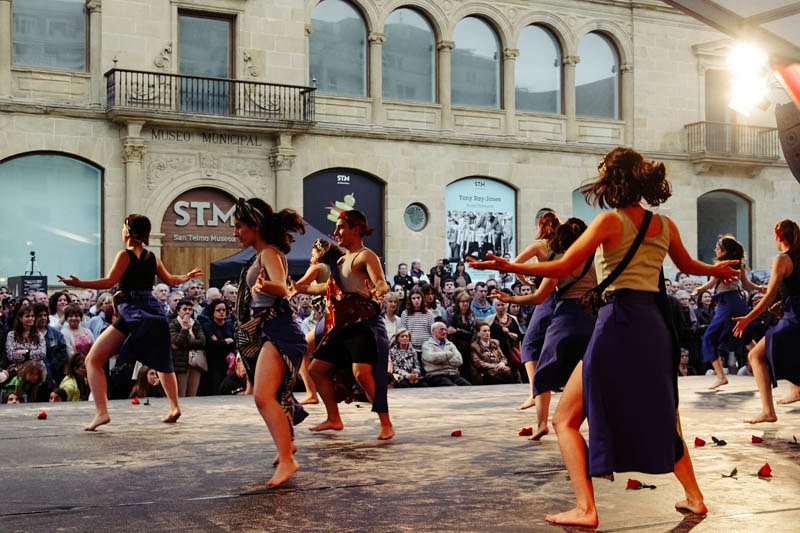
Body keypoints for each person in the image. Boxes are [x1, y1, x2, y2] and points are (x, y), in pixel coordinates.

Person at [469, 147, 738, 527]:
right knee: (662, 414)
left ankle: (586, 508)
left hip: (618, 322)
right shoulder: (664, 224)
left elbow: (564, 264)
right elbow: (688, 266)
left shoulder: (609, 221)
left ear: (612, 182)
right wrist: (717, 269)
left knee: (565, 419)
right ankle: (695, 497)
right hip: (654, 326)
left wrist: (509, 265)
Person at [57, 214, 203, 431]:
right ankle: (174, 407)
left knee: (93, 360)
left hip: (133, 312)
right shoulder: (153, 257)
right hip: (154, 312)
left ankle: (101, 413)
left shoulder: (124, 255)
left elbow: (109, 281)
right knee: (163, 363)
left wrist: (79, 283)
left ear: (128, 231)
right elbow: (171, 280)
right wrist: (187, 276)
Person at [293, 209, 394, 440]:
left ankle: (386, 424)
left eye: (341, 227)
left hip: (361, 325)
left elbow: (380, 281)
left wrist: (381, 289)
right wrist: (301, 288)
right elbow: (327, 288)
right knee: (316, 370)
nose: (336, 232)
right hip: (341, 326)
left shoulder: (366, 256)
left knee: (363, 375)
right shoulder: (340, 260)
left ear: (356, 229)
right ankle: (334, 419)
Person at [497, 218, 598, 440]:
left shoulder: (561, 263)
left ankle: (541, 424)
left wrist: (510, 298)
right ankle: (598, 427)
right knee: (590, 374)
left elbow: (538, 297)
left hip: (566, 320)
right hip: (592, 319)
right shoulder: (596, 261)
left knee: (543, 371)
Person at [233, 197, 308, 486]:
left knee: (263, 396)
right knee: (272, 395)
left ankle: (288, 459)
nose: (236, 233)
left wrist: (266, 285)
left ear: (255, 226)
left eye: (239, 226)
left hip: (280, 330)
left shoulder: (269, 254)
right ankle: (286, 448)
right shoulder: (262, 254)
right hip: (272, 330)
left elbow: (282, 287)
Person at [733, 219, 800, 422]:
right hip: (793, 313)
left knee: (755, 355)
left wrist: (747, 318)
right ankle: (796, 390)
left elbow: (770, 296)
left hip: (795, 315)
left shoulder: (782, 259)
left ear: (779, 237)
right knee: (790, 352)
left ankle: (768, 412)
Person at [692, 235, 764, 389]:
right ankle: (768, 370)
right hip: (738, 303)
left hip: (728, 305)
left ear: (724, 251)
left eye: (718, 248)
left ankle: (721, 376)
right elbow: (746, 284)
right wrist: (759, 288)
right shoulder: (739, 265)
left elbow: (711, 284)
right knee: (747, 339)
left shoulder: (721, 265)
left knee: (709, 338)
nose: (715, 250)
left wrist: (699, 289)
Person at [513, 209, 560, 410]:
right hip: (566, 297)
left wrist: (526, 282)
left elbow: (515, 264)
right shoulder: (565, 246)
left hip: (547, 297)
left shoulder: (540, 247)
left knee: (530, 343)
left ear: (540, 225)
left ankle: (535, 391)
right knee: (554, 341)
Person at [290, 238, 343, 406]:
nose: (310, 258)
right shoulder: (336, 268)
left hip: (331, 318)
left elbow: (296, 287)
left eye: (313, 255)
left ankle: (311, 393)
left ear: (320, 255)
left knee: (301, 350)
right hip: (340, 317)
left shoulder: (317, 267)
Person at [198, 299, 236, 395]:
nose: (221, 312)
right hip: (214, 362)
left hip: (229, 361)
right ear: (212, 312)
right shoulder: (208, 326)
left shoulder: (230, 326)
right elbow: (211, 344)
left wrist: (220, 342)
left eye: (224, 310)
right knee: (216, 387)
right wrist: (225, 341)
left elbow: (235, 343)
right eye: (218, 310)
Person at [170, 298, 207, 397]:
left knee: (192, 393)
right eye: (185, 309)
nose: (187, 312)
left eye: (190, 309)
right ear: (178, 311)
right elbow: (177, 341)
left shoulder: (196, 323)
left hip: (195, 363)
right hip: (181, 363)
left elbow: (202, 342)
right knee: (181, 393)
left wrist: (185, 344)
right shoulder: (173, 324)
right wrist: (185, 328)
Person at [33, 303, 68, 395]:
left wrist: (51, 365)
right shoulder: (29, 333)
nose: (43, 318)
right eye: (40, 315)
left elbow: (63, 352)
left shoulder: (56, 334)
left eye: (45, 315)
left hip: (54, 373)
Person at [421, 322, 470, 386]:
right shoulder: (427, 345)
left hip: (453, 374)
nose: (444, 332)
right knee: (453, 387)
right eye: (441, 329)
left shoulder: (450, 344)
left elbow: (459, 361)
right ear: (433, 331)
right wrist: (448, 354)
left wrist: (441, 359)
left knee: (468, 386)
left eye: (445, 330)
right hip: (436, 375)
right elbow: (432, 358)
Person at [446, 288, 478, 383]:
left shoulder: (471, 315)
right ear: (458, 303)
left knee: (469, 371)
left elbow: (471, 333)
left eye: (467, 302)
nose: (465, 304)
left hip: (469, 345)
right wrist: (461, 332)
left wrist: (457, 331)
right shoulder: (454, 316)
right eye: (463, 301)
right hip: (456, 347)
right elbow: (450, 332)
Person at [400, 287, 434, 355]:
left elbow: (432, 331)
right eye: (414, 298)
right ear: (410, 300)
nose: (416, 300)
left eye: (418, 298)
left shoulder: (429, 313)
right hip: (411, 348)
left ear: (422, 299)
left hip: (426, 348)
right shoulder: (405, 313)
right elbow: (403, 331)